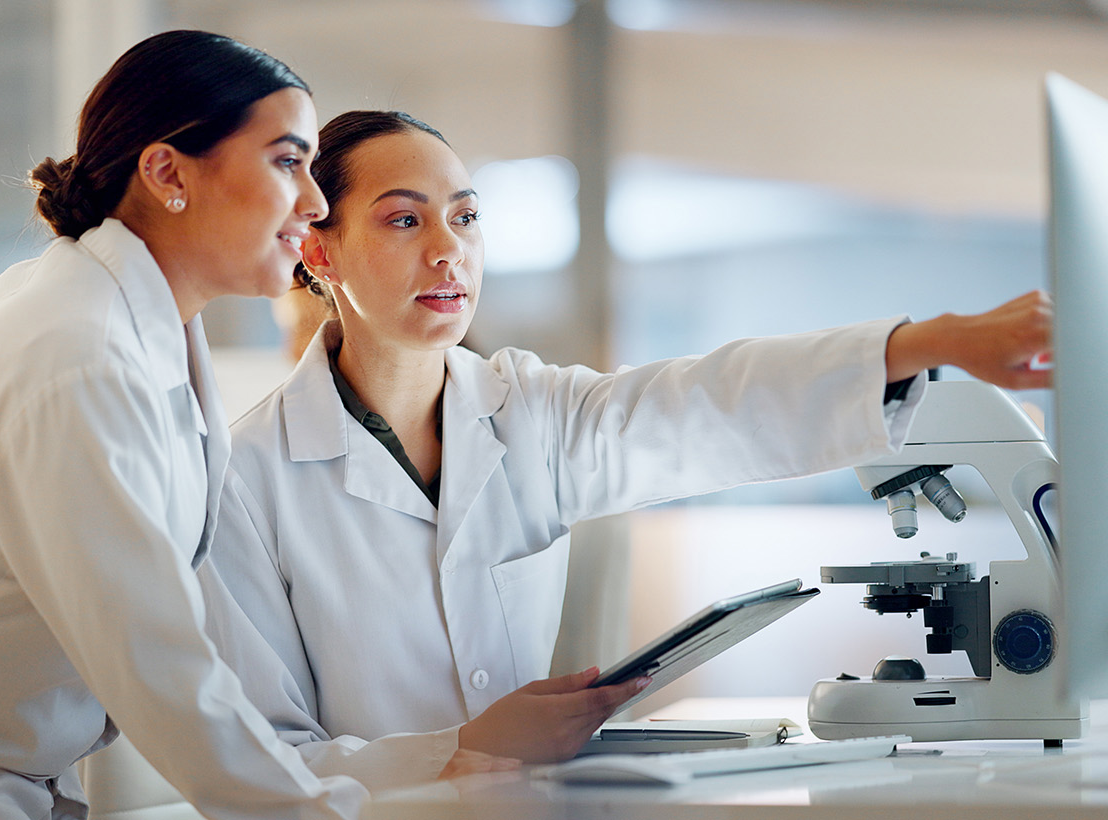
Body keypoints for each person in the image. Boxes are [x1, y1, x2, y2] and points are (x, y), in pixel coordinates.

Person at [0, 36, 510, 820]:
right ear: (168, 173)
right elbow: (160, 669)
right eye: (286, 162)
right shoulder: (77, 355)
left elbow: (186, 660)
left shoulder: (146, 329)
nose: (313, 201)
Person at [198, 109, 1054, 792]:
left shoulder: (530, 410)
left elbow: (710, 404)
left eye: (464, 217)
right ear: (318, 249)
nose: (447, 248)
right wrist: (457, 750)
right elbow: (256, 765)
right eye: (402, 219)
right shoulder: (247, 479)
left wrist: (927, 343)